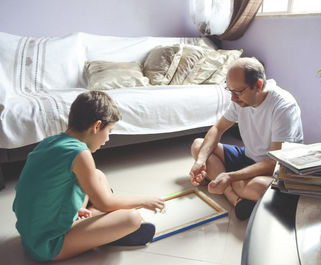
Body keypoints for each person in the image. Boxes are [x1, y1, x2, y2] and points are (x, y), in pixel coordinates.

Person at [12, 91, 165, 261]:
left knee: (97, 175)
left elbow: (44, 190)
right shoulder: (80, 153)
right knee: (132, 218)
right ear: (97, 126)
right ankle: (105, 234)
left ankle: (94, 224)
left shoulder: (51, 141)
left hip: (31, 233)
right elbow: (105, 203)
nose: (107, 139)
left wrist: (76, 209)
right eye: (109, 131)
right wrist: (144, 201)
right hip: (46, 245)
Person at [189, 57, 303, 220]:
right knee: (198, 146)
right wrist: (200, 161)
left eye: (238, 92)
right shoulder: (240, 99)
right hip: (249, 157)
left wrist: (231, 176)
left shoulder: (283, 106)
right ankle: (232, 196)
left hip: (277, 168)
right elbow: (217, 128)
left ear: (257, 86)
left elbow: (274, 162)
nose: (233, 99)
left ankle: (226, 182)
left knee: (256, 186)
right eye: (230, 91)